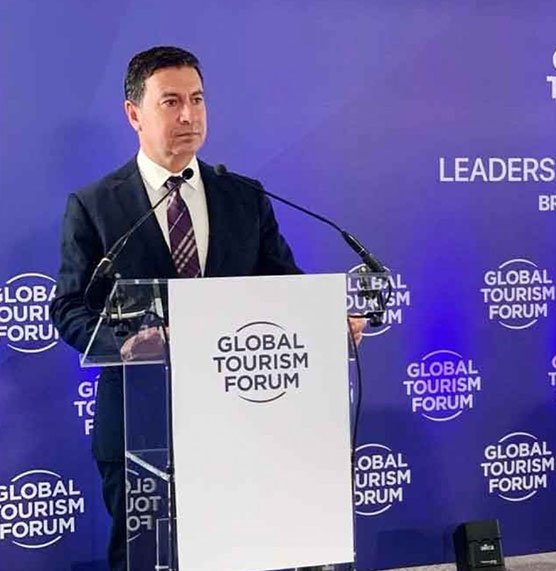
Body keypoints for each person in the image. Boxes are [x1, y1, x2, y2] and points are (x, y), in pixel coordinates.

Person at [51, 46, 364, 571]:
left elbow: (284, 285)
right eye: (171, 101)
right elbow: (68, 306)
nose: (188, 115)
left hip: (245, 423)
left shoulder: (243, 195)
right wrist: (122, 345)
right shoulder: (95, 205)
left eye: (197, 100)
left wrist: (323, 324)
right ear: (133, 113)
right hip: (141, 429)